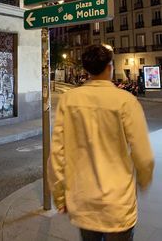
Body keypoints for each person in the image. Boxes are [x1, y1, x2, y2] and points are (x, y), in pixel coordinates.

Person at [48, 44, 154, 241]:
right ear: (110, 67)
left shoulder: (68, 100)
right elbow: (144, 154)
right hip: (118, 201)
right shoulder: (126, 101)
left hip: (83, 199)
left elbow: (57, 153)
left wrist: (59, 195)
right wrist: (144, 180)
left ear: (86, 70)